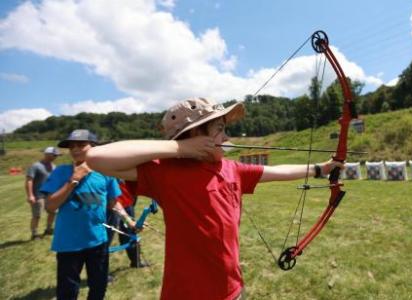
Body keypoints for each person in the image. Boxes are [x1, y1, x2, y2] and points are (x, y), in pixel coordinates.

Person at [86, 98, 343, 300]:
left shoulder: (232, 169)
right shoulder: (165, 172)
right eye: (220, 129)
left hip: (232, 288)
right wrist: (182, 148)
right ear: (197, 133)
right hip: (188, 294)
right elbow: (96, 158)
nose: (227, 137)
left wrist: (321, 168)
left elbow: (278, 171)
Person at [40, 129, 134, 300]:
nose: (75, 149)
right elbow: (50, 206)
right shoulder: (61, 172)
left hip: (98, 241)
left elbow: (114, 203)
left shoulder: (105, 173)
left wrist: (129, 221)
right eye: (72, 146)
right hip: (68, 243)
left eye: (82, 145)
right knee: (68, 291)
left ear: (94, 148)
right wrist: (74, 180)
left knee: (99, 287)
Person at [106, 180, 150, 268]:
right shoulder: (105, 171)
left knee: (131, 233)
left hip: (126, 203)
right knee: (106, 238)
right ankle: (102, 273)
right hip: (111, 207)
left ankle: (136, 262)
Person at [25, 146, 61, 240]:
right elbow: (29, 181)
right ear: (47, 154)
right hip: (38, 195)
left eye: (56, 155)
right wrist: (30, 195)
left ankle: (48, 229)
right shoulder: (35, 166)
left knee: (53, 212)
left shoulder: (54, 166)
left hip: (50, 195)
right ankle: (34, 234)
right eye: (54, 155)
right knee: (37, 215)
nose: (55, 157)